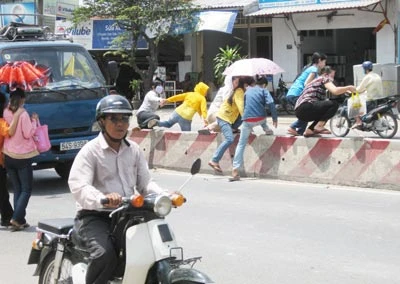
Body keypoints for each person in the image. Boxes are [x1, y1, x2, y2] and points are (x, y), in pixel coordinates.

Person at [68, 95, 167, 284]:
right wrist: (102, 198)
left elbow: (145, 184)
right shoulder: (90, 151)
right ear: (102, 121)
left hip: (128, 214)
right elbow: (79, 186)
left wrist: (164, 195)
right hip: (95, 216)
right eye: (114, 118)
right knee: (105, 255)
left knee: (152, 250)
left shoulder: (134, 150)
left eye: (124, 118)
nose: (120, 124)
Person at [2, 88, 39, 231]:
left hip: (8, 155)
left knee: (17, 188)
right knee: (26, 189)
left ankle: (20, 221)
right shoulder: (23, 114)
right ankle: (16, 217)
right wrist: (34, 121)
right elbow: (28, 133)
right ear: (22, 99)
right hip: (23, 156)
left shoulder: (6, 112)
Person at [229, 75, 278, 181]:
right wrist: (275, 118)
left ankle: (235, 170)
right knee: (263, 119)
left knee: (241, 144)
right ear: (264, 85)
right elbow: (271, 104)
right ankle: (267, 130)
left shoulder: (247, 91)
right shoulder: (264, 91)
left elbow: (246, 106)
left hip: (247, 120)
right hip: (260, 119)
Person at [294, 66, 356, 137]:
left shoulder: (316, 80)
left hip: (299, 111)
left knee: (324, 110)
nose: (332, 78)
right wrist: (348, 87)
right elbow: (335, 91)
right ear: (326, 74)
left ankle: (310, 130)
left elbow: (334, 91)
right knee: (334, 104)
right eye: (332, 75)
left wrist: (345, 90)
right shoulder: (324, 78)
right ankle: (319, 126)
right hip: (306, 106)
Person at [208, 76, 253, 173]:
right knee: (229, 139)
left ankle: (233, 129)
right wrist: (248, 122)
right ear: (245, 85)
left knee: (246, 115)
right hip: (223, 118)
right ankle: (214, 160)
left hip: (229, 118)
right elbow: (241, 108)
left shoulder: (240, 91)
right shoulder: (239, 92)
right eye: (250, 86)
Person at [286, 52, 327, 136]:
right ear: (319, 61)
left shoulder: (310, 68)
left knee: (305, 112)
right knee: (306, 111)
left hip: (293, 93)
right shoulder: (314, 69)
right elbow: (306, 83)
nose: (325, 64)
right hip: (296, 94)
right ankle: (293, 127)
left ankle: (301, 132)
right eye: (324, 62)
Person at [0, 91, 22, 227]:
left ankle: (7, 216)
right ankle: (7, 216)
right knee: (2, 191)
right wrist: (17, 115)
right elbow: (9, 132)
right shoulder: (1, 122)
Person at [353, 60, 384, 128]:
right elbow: (369, 87)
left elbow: (359, 89)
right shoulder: (376, 75)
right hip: (379, 98)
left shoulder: (367, 77)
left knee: (354, 105)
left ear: (365, 69)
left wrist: (352, 90)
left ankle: (358, 122)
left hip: (370, 99)